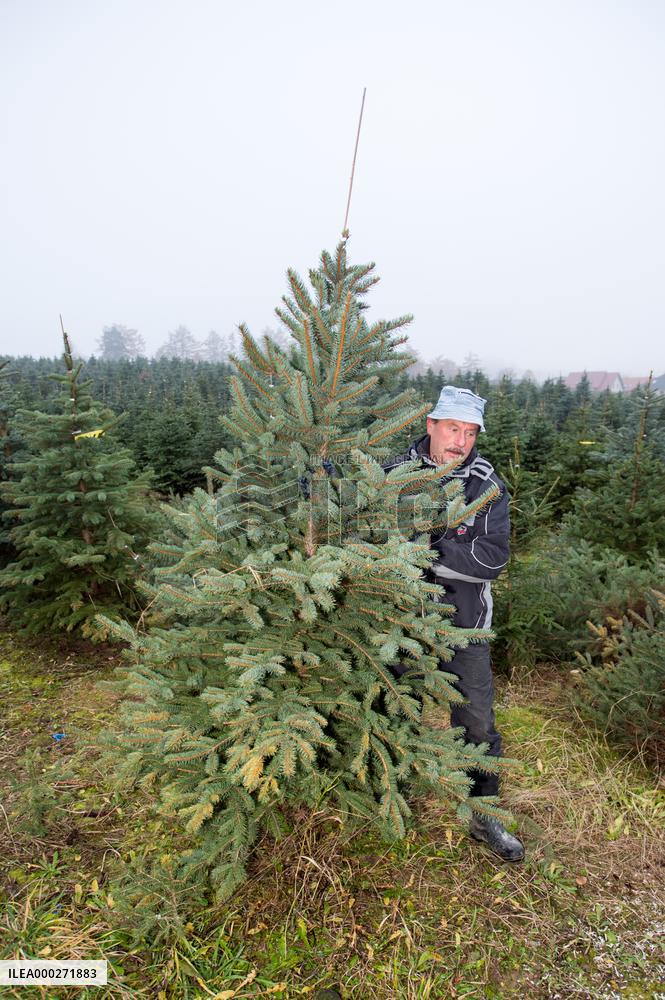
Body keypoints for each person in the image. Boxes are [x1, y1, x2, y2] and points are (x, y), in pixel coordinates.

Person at [383, 385, 524, 862]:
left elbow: (490, 559)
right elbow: (360, 536)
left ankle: (485, 817)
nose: (460, 441)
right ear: (431, 426)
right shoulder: (391, 476)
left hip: (464, 628)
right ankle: (390, 797)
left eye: (469, 432)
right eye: (452, 428)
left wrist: (428, 547)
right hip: (398, 622)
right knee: (390, 709)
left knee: (478, 722)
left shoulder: (486, 486)